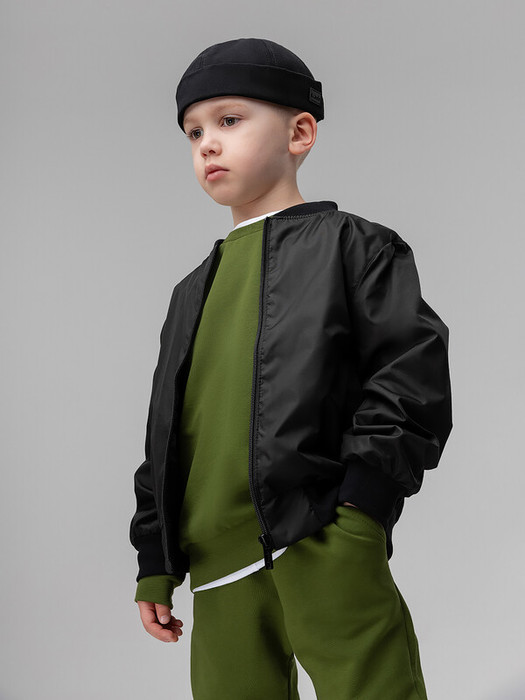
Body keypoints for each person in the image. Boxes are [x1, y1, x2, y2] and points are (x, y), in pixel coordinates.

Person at [129, 37, 453, 699]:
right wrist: (155, 562)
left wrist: (361, 507)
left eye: (228, 120)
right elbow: (166, 433)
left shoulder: (354, 247)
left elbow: (409, 375)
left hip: (321, 536)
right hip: (216, 568)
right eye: (193, 133)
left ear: (299, 132)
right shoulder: (190, 294)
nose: (207, 145)